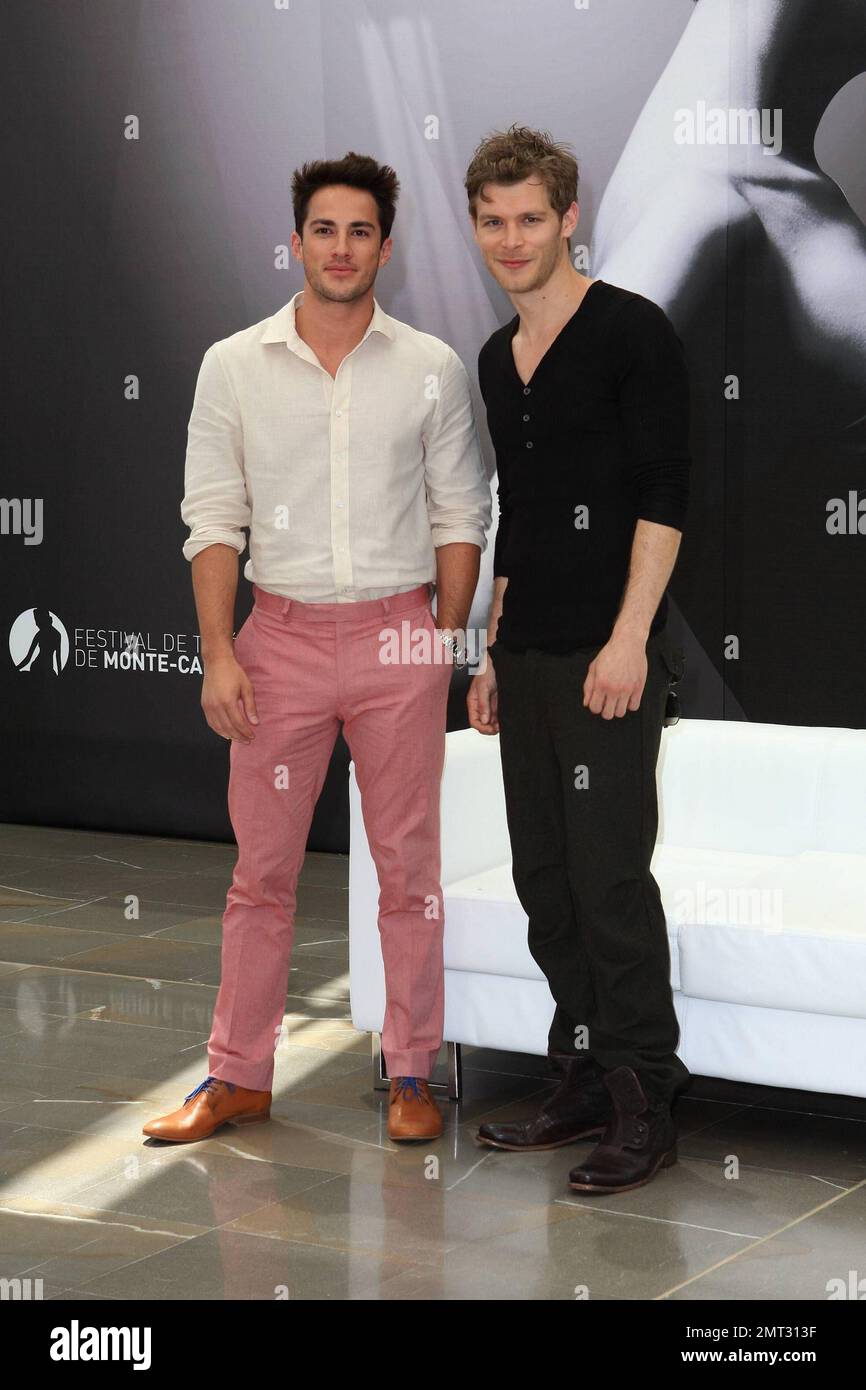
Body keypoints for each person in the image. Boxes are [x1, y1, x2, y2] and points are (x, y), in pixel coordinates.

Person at [144, 152, 491, 1146]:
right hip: (279, 639)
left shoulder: (428, 367)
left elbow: (459, 507)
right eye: (324, 231)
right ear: (294, 243)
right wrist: (219, 651)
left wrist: (441, 634)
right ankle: (236, 1074)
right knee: (260, 872)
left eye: (360, 231)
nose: (341, 248)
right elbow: (212, 516)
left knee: (407, 866)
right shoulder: (233, 364)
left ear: (386, 245)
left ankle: (411, 1071)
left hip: (397, 636)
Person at [465, 125, 692, 1194]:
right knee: (542, 878)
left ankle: (646, 1098)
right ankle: (586, 1074)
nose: (511, 239)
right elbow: (520, 515)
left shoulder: (630, 332)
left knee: (606, 878)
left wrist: (628, 639)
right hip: (527, 651)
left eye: (528, 218)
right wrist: (489, 648)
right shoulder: (491, 356)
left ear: (568, 219)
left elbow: (662, 494)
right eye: (491, 221)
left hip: (609, 656)